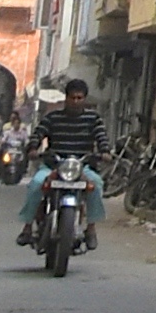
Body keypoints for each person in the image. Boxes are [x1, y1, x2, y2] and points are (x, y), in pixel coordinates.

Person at [19, 78, 104, 251]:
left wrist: (105, 152)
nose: (76, 101)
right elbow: (38, 134)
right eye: (72, 97)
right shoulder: (52, 118)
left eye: (79, 98)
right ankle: (27, 227)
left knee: (96, 184)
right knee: (36, 184)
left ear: (85, 99)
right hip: (53, 166)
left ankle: (91, 228)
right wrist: (33, 148)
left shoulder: (93, 119)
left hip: (81, 167)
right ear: (66, 98)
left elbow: (102, 137)